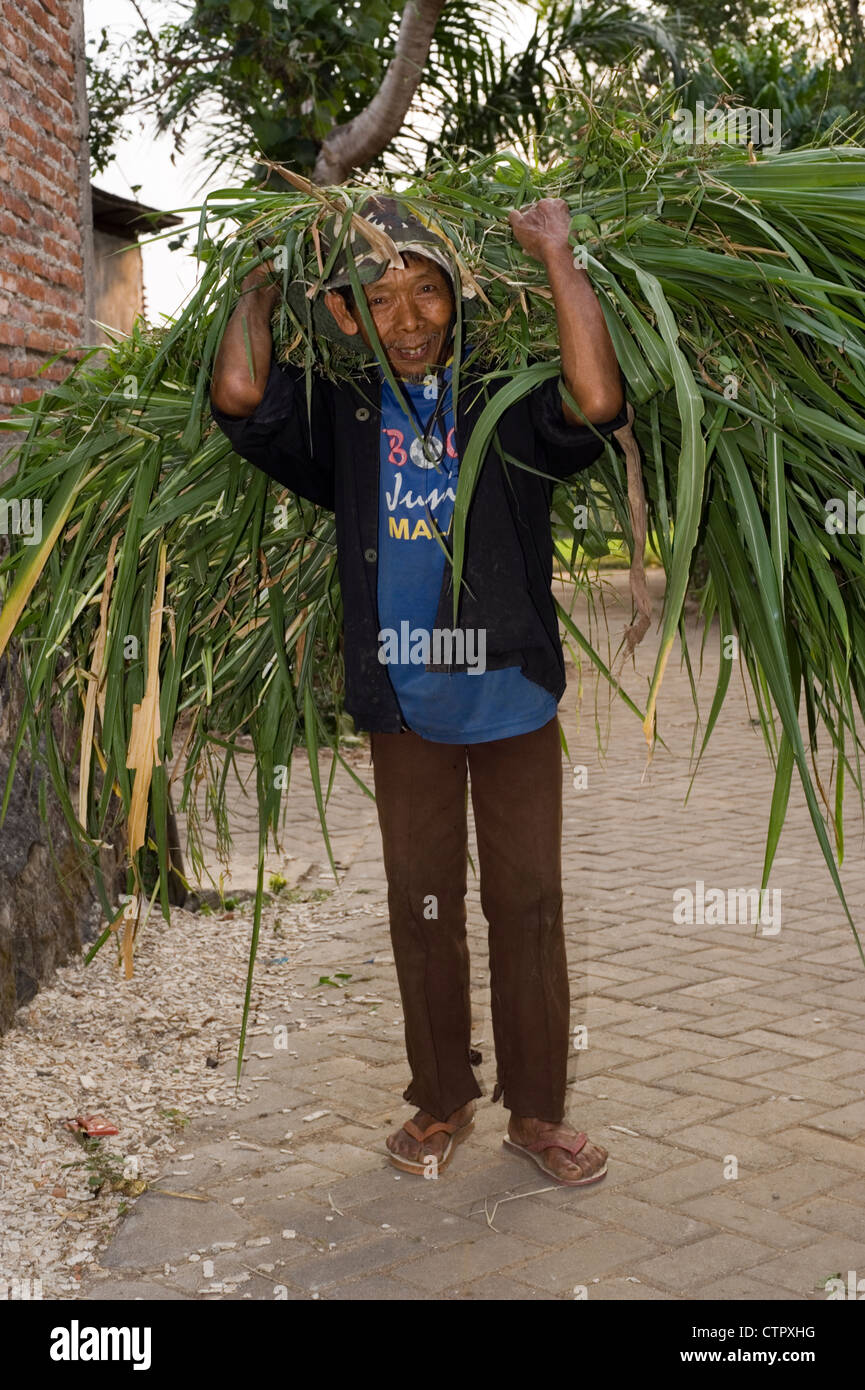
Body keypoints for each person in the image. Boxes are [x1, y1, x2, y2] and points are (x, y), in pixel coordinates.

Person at [210, 193, 630, 1186]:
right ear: (349, 313)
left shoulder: (502, 394)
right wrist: (259, 277)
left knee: (527, 903)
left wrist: (558, 257)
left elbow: (597, 401)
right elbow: (236, 391)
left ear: (459, 296)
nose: (406, 320)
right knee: (424, 904)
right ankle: (440, 1099)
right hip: (405, 706)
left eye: (426, 291)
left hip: (513, 695)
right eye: (380, 299)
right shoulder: (345, 415)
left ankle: (537, 1113)